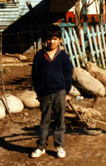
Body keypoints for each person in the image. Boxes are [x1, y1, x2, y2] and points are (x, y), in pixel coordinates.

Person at [31, 24, 73, 159]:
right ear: (45, 40)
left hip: (60, 92)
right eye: (49, 39)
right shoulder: (39, 56)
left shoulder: (63, 57)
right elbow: (35, 75)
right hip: (45, 94)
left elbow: (68, 74)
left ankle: (59, 146)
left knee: (60, 121)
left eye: (55, 39)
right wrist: (38, 92)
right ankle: (41, 146)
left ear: (60, 40)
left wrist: (66, 92)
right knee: (45, 120)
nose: (51, 42)